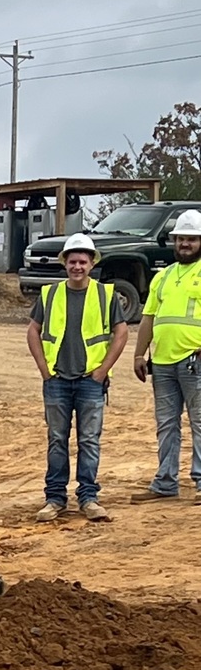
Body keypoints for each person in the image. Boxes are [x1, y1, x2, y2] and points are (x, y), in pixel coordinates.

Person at [26, 232, 128, 522]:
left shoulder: (105, 294)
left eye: (83, 261)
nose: (78, 267)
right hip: (57, 380)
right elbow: (33, 330)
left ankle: (88, 498)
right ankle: (55, 498)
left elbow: (121, 332)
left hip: (90, 382)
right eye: (73, 261)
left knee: (89, 441)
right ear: (65, 264)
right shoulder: (50, 294)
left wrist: (102, 371)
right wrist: (44, 370)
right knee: (57, 440)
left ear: (92, 263)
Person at [130, 208, 201, 504]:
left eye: (191, 239)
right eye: (180, 238)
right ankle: (165, 482)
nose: (185, 244)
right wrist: (138, 354)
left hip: (194, 361)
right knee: (167, 423)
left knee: (200, 422)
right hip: (162, 362)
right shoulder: (164, 276)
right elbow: (148, 318)